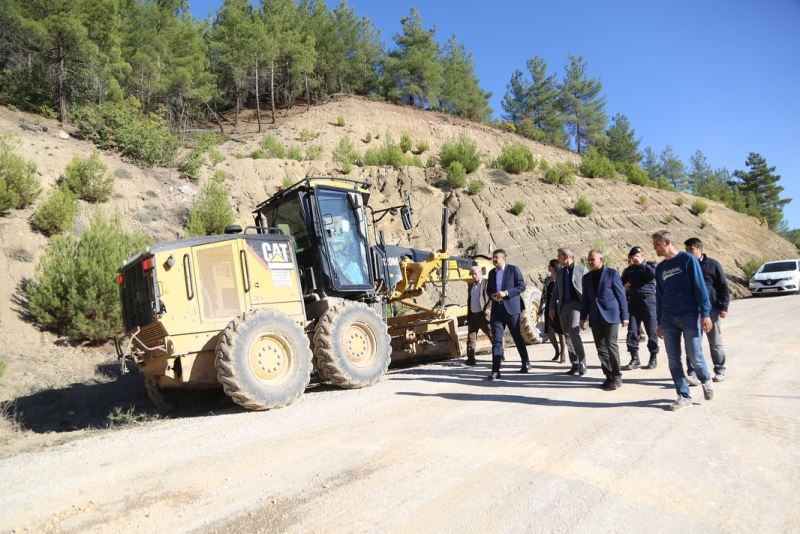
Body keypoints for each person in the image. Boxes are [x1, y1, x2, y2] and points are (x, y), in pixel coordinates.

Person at [651, 230, 714, 411]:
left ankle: (706, 379)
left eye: (657, 244)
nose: (655, 248)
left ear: (668, 242)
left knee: (695, 356)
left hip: (690, 315)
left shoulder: (688, 260)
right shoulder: (660, 268)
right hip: (669, 318)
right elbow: (659, 296)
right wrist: (660, 322)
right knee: (673, 359)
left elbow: (700, 287)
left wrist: (706, 313)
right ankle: (683, 395)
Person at [579, 250, 629, 390]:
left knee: (611, 344)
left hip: (611, 315)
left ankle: (617, 376)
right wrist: (583, 317)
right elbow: (586, 300)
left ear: (601, 259)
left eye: (592, 259)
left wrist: (625, 315)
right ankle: (609, 376)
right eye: (588, 259)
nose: (590, 261)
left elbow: (621, 295)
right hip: (595, 317)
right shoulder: (586, 278)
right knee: (600, 348)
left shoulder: (612, 273)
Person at [684, 237, 729, 383]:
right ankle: (693, 373)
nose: (688, 252)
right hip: (691, 310)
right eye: (686, 249)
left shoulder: (713, 265)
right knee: (693, 343)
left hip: (711, 310)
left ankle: (720, 369)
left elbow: (723, 286)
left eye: (691, 249)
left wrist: (724, 306)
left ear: (700, 249)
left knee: (715, 341)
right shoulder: (685, 265)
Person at [486, 249, 530, 380]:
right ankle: (495, 370)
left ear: (503, 258)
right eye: (493, 258)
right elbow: (489, 290)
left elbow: (522, 286)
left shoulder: (513, 270)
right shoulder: (491, 273)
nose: (494, 260)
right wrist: (493, 295)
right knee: (497, 340)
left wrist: (506, 293)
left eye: (496, 258)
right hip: (497, 310)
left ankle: (525, 362)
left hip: (511, 309)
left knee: (517, 336)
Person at [548, 247, 589, 376]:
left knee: (574, 332)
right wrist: (552, 307)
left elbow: (588, 290)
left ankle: (582, 363)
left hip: (577, 306)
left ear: (566, 257)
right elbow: (555, 292)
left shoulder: (581, 270)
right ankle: (575, 363)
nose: (558, 258)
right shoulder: (560, 273)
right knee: (566, 334)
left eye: (559, 256)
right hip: (563, 307)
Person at [621, 246, 660, 370]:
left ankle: (653, 357)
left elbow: (653, 275)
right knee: (632, 331)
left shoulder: (650, 265)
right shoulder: (629, 270)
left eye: (637, 256)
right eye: (633, 257)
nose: (635, 259)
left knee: (651, 331)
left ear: (643, 255)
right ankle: (634, 358)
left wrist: (641, 264)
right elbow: (622, 282)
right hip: (633, 302)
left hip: (648, 301)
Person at [465, 265, 493, 366]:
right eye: (472, 274)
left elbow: (492, 297)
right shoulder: (471, 286)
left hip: (483, 314)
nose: (473, 276)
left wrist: (489, 308)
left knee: (491, 334)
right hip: (473, 315)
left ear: (480, 272)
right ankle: (471, 359)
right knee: (471, 337)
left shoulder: (487, 283)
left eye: (475, 273)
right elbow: (470, 301)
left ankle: (499, 355)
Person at [539, 259, 566, 363]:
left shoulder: (561, 278)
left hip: (559, 308)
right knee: (549, 332)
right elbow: (543, 294)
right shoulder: (547, 280)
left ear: (554, 267)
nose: (548, 268)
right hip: (548, 308)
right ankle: (557, 350)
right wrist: (540, 307)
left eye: (549, 266)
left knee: (560, 332)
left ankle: (563, 353)